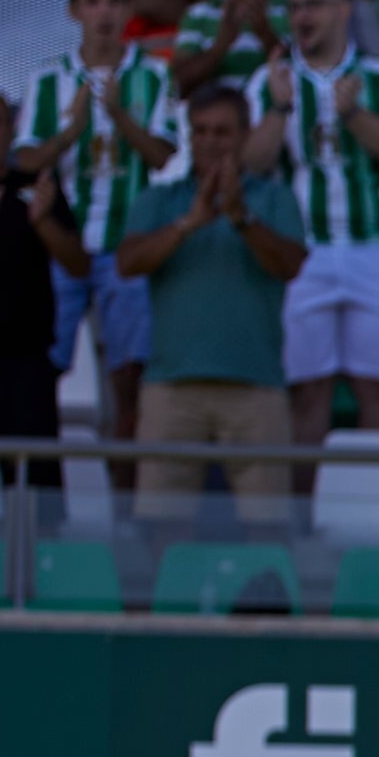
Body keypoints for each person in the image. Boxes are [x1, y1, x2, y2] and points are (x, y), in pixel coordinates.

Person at [242, 0, 379, 443]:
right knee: (305, 396)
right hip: (303, 256)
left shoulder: (378, 76)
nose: (302, 15)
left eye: (314, 4)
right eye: (295, 6)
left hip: (373, 249)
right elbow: (252, 162)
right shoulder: (271, 82)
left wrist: (353, 115)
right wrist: (280, 108)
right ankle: (304, 517)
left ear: (343, 10)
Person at [113, 87, 304, 530]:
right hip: (171, 388)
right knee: (159, 530)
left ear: (245, 135)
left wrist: (242, 219)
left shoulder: (274, 199)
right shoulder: (159, 201)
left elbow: (290, 265)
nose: (211, 142)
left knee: (268, 531)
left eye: (222, 131)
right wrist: (188, 224)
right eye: (200, 132)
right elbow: (127, 263)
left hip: (256, 386)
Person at [17, 0, 177, 447]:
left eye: (113, 1)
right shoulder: (48, 78)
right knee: (40, 371)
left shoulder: (154, 75)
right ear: (73, 11)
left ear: (128, 10)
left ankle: (127, 513)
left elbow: (165, 158)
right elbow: (25, 159)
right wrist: (71, 130)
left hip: (128, 247)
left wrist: (119, 116)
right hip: (60, 246)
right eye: (92, 2)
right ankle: (43, 501)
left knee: (130, 379)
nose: (103, 13)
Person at [0, 94, 83, 482]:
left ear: (11, 131)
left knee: (38, 498)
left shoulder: (37, 187)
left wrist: (42, 223)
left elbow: (77, 263)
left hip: (26, 363)